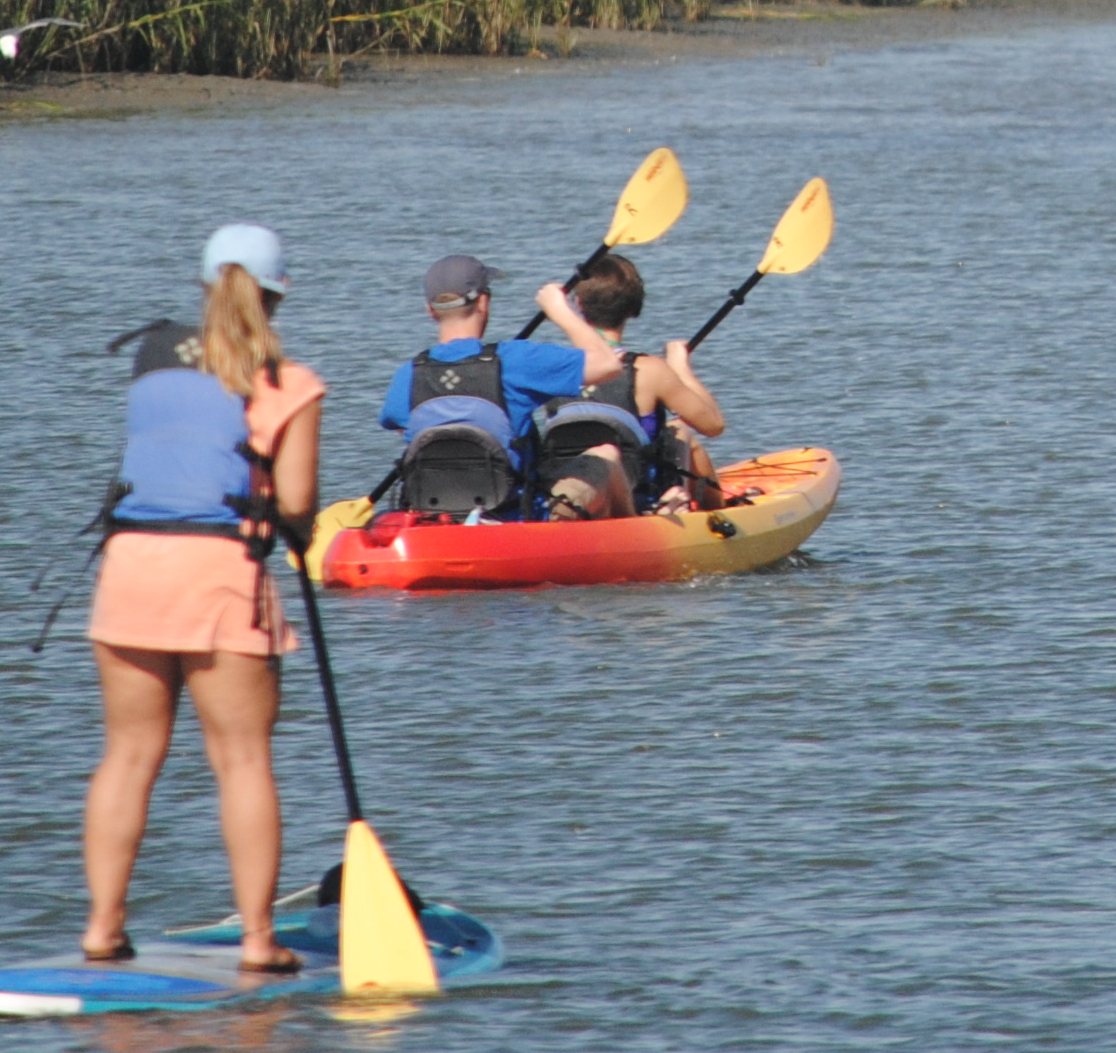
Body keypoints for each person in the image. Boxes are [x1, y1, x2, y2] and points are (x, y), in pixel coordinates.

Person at [81, 223, 325, 972]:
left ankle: (101, 929)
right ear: (277, 296)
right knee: (243, 761)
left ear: (202, 287)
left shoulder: (149, 365)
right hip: (219, 577)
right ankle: (258, 940)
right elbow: (295, 504)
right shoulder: (291, 382)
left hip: (129, 571)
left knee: (127, 757)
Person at [375, 254, 627, 514]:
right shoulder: (516, 360)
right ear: (484, 302)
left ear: (430, 310)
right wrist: (561, 311)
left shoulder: (408, 375)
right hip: (513, 516)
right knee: (606, 456)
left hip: (436, 518)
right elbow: (608, 364)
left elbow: (401, 425)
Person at [521, 252, 728, 519]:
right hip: (631, 498)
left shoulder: (552, 366)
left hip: (563, 489)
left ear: (579, 305)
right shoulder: (650, 370)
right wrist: (681, 368)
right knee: (681, 431)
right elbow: (713, 425)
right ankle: (721, 514)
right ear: (633, 309)